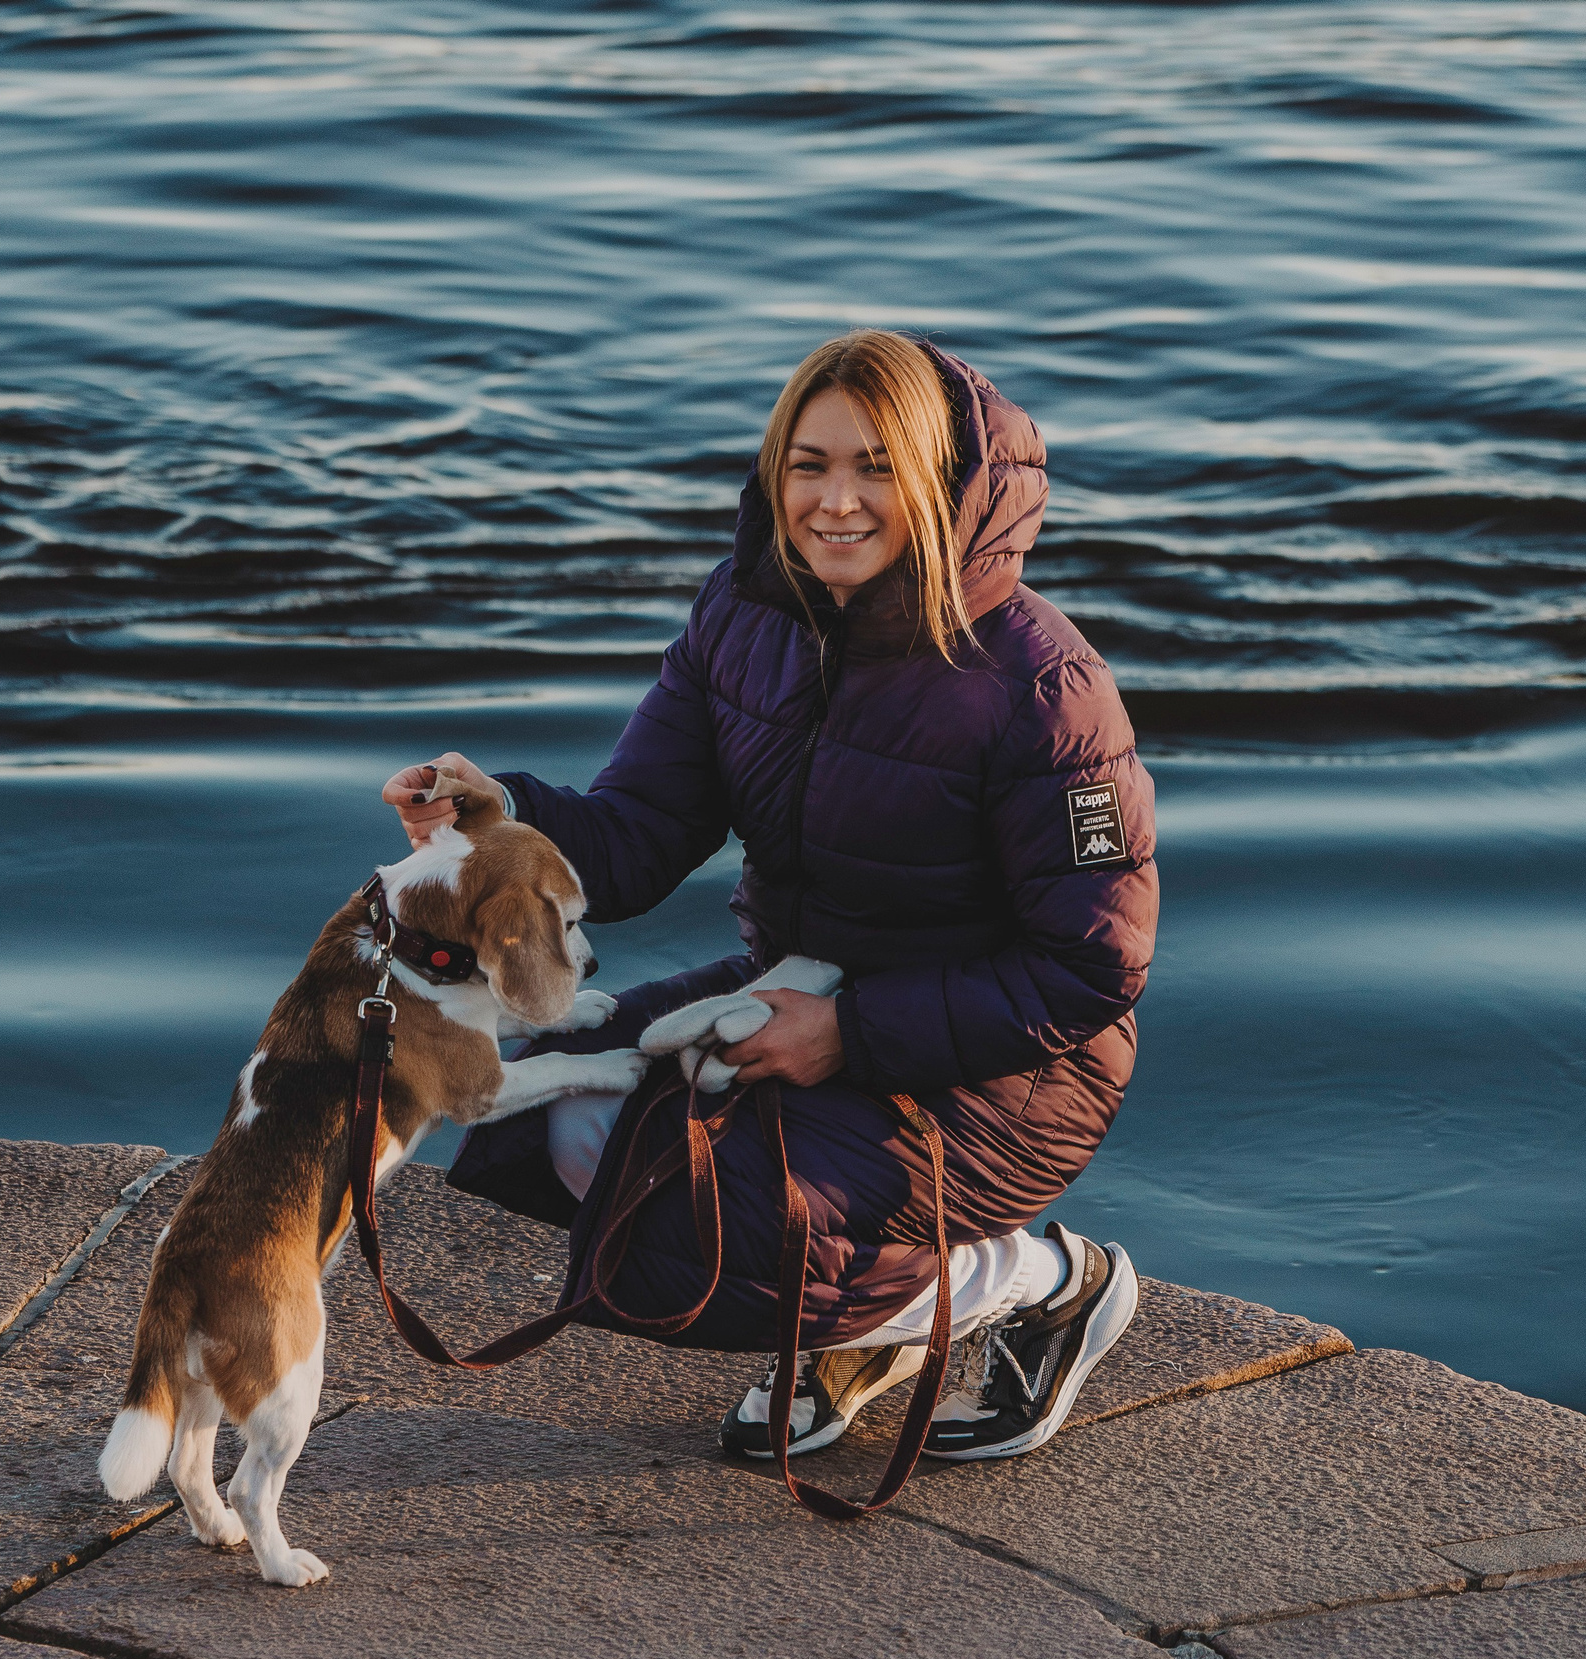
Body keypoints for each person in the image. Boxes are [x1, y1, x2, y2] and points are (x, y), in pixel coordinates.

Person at [381, 329, 1157, 1463]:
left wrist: (845, 1034)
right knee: (556, 1111)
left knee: (701, 1227)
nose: (835, 502)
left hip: (1014, 1072)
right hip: (794, 986)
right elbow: (640, 834)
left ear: (941, 482)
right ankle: (870, 1329)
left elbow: (1092, 967)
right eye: (808, 465)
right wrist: (497, 820)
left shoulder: (1046, 691)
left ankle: (1047, 1283)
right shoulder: (743, 616)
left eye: (877, 468)